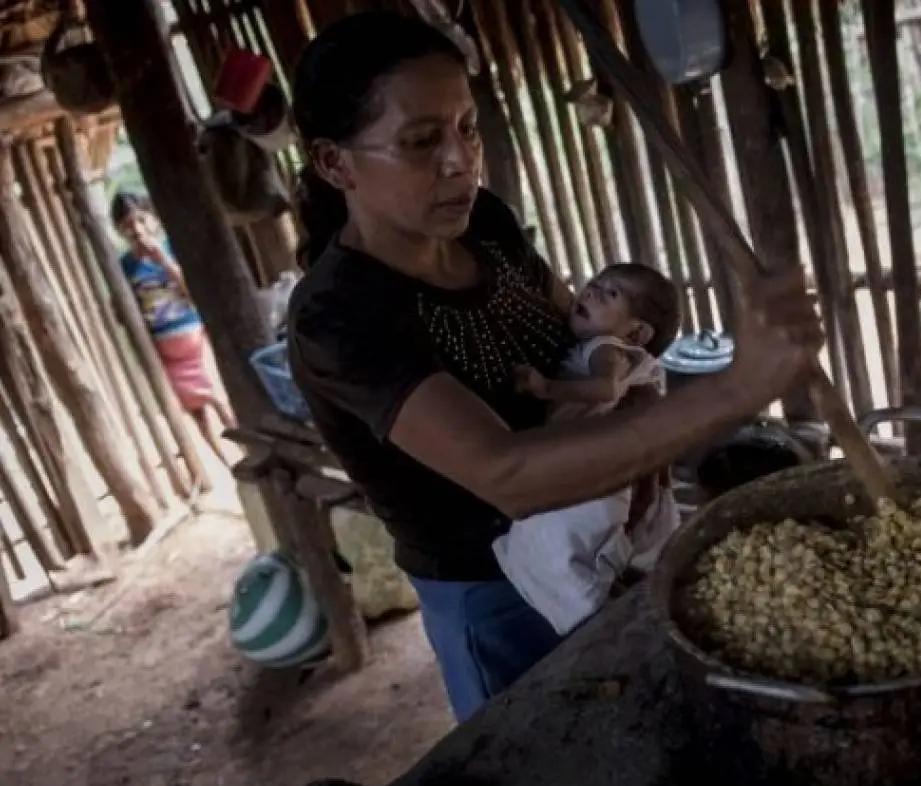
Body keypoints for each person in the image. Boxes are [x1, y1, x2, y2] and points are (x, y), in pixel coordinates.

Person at [286, 12, 824, 724]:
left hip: (609, 535)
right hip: (495, 595)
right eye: (421, 141)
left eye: (468, 128)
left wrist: (632, 418)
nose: (459, 160)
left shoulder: (485, 226)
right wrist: (733, 391)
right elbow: (507, 474)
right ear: (335, 163)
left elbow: (578, 338)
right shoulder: (340, 315)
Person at [493, 262, 683, 635]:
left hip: (587, 452)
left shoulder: (606, 348)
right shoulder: (600, 343)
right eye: (596, 283)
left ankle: (586, 606)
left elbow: (606, 390)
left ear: (637, 332)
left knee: (571, 532)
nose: (591, 291)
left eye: (611, 293)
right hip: (588, 450)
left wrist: (546, 388)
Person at [110, 191, 237, 467]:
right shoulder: (124, 266)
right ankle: (229, 466)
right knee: (197, 413)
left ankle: (251, 456)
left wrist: (164, 262)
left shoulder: (171, 248)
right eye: (128, 225)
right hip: (165, 352)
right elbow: (121, 311)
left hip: (197, 341)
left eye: (142, 220)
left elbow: (195, 294)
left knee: (219, 399)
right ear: (120, 231)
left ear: (154, 220)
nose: (137, 229)